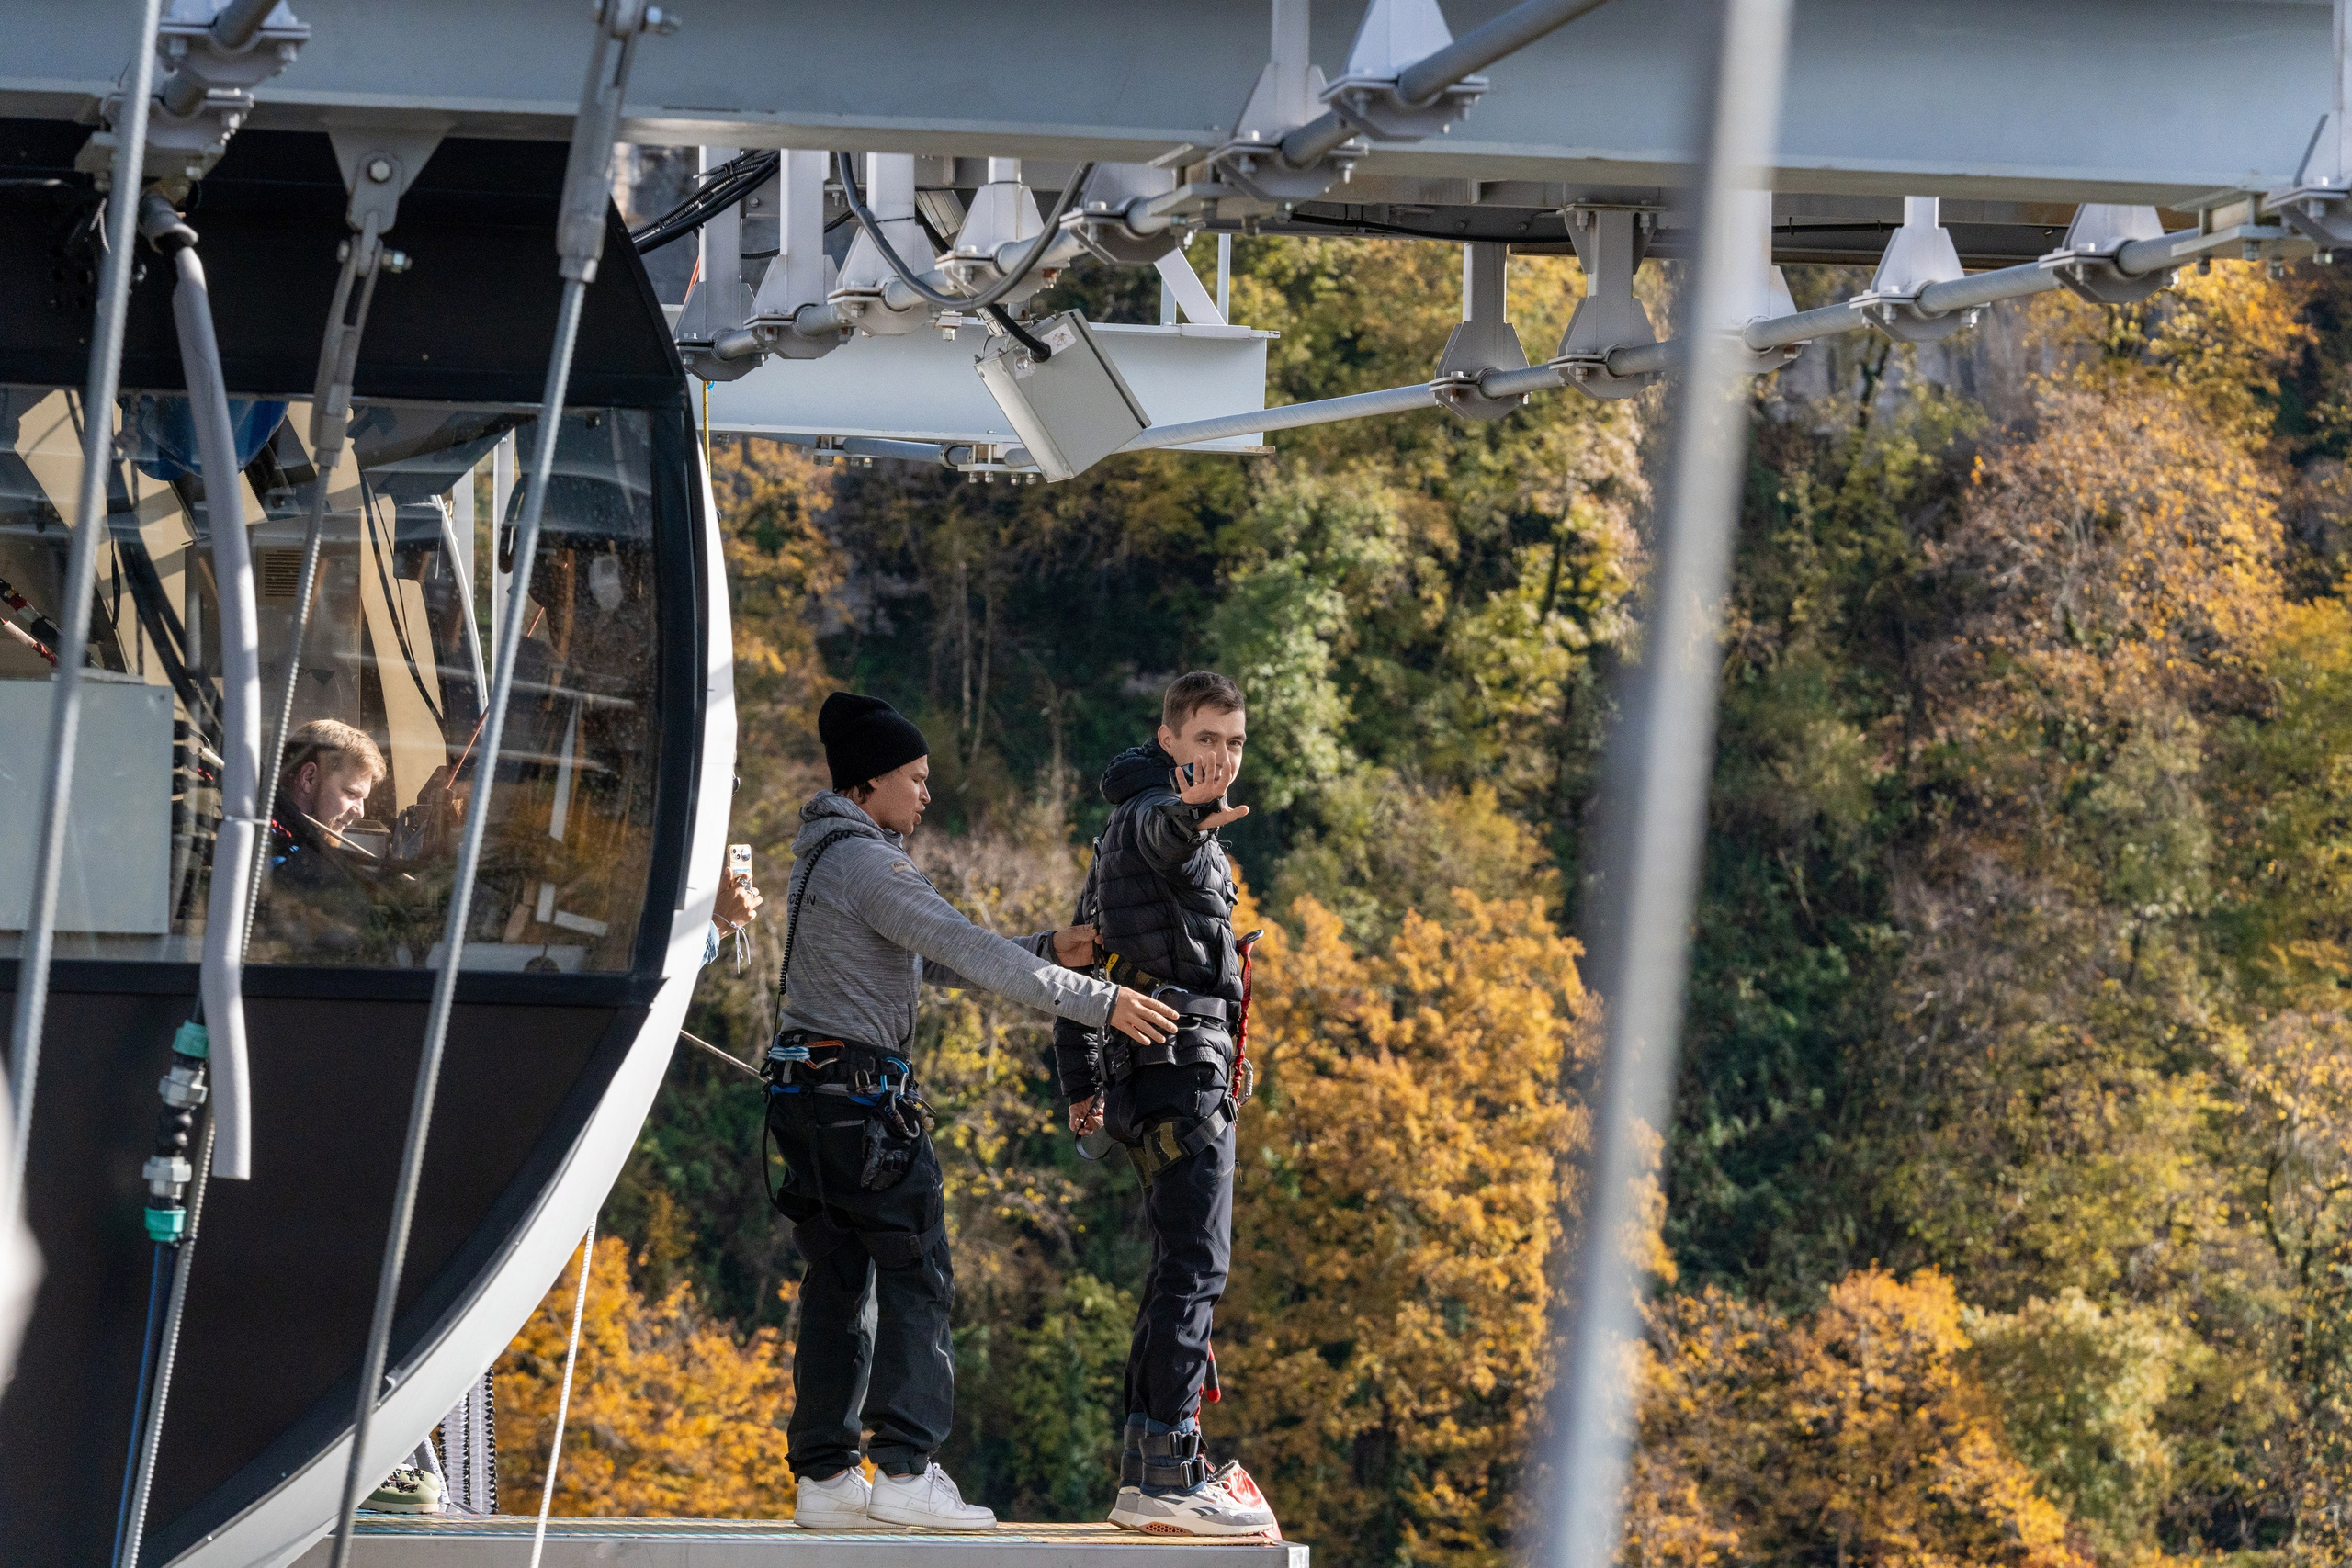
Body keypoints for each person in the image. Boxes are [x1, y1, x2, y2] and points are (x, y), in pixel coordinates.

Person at [772, 692, 1181, 1532]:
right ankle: (906, 1468)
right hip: (862, 1107)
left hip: (801, 1106)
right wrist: (1097, 1001)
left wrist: (1041, 947)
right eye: (915, 780)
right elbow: (964, 948)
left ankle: (824, 1476)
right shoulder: (871, 863)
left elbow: (924, 960)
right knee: (919, 1271)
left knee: (838, 1283)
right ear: (870, 782)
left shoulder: (819, 859)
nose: (927, 794)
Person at [1053, 671, 1280, 1538]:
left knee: (1177, 1268)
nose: (1221, 758)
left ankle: (1150, 1469)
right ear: (1170, 738)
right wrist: (1192, 820)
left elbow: (1081, 952)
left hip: (1161, 1072)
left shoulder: (1121, 830)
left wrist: (1081, 1080)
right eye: (1206, 740)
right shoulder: (1154, 817)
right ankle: (1171, 1468)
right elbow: (1168, 837)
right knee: (1196, 1269)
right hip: (1182, 1072)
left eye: (1233, 743)